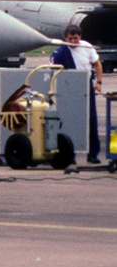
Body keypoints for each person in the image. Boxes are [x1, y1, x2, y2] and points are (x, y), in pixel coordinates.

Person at [50, 23, 103, 163]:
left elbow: (97, 64)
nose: (73, 41)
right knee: (69, 122)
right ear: (65, 38)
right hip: (69, 90)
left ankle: (92, 154)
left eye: (75, 38)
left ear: (80, 37)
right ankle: (70, 154)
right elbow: (54, 70)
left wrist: (99, 82)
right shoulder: (60, 52)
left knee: (91, 121)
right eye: (70, 38)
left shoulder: (87, 47)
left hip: (86, 87)